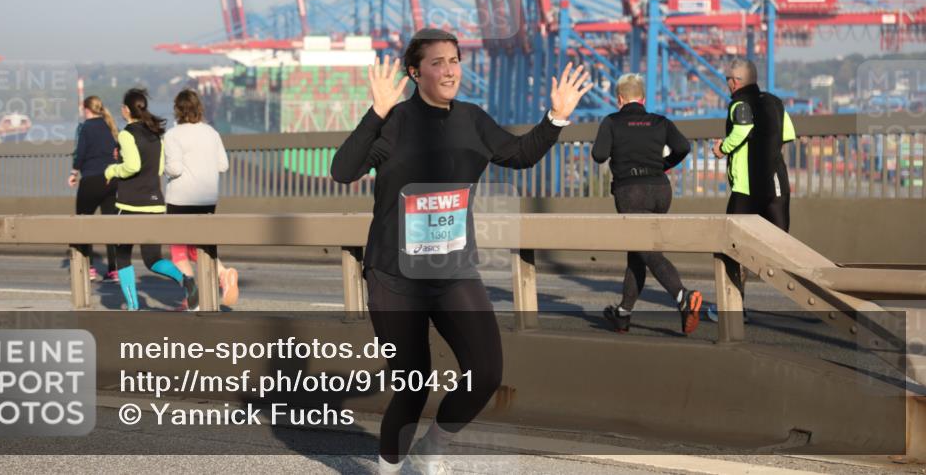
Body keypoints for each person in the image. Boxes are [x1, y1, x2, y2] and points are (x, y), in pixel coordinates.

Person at [331, 28, 591, 475]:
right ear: (415, 73)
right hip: (394, 276)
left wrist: (556, 118)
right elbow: (343, 170)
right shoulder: (395, 121)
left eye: (454, 60)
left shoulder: (472, 118)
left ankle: (429, 452)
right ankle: (389, 469)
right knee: (413, 385)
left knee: (486, 372)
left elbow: (518, 154)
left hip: (453, 270)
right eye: (437, 62)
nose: (450, 70)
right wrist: (375, 111)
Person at [591, 74, 702, 335]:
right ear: (643, 99)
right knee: (638, 250)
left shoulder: (612, 121)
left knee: (645, 248)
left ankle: (682, 297)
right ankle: (623, 313)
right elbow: (683, 147)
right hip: (661, 191)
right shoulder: (659, 121)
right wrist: (664, 165)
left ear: (619, 99)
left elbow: (599, 155)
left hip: (631, 192)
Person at [708, 58, 796, 321]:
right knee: (785, 250)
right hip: (777, 185)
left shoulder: (738, 104)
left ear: (735, 82)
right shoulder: (775, 102)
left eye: (728, 80)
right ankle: (830, 297)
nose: (727, 85)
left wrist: (722, 148)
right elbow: (788, 134)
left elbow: (744, 129)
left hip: (747, 190)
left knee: (730, 247)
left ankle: (734, 310)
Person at [104, 88, 196, 311]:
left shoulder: (127, 134)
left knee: (123, 255)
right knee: (153, 259)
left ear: (126, 110)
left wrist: (112, 170)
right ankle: (185, 280)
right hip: (154, 204)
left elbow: (132, 166)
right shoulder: (155, 134)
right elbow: (160, 167)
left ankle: (134, 306)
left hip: (129, 205)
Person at [163, 88, 237, 310]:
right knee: (199, 247)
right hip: (207, 198)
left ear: (177, 110)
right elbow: (223, 165)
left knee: (178, 251)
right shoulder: (211, 133)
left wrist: (165, 169)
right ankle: (224, 274)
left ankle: (192, 296)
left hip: (181, 199)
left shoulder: (173, 135)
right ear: (199, 108)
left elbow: (174, 169)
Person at [69, 96, 120, 281]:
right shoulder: (110, 125)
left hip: (91, 180)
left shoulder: (85, 127)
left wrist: (74, 173)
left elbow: (80, 152)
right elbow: (118, 150)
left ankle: (88, 268)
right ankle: (114, 270)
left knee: (82, 223)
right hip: (111, 180)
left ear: (86, 109)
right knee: (110, 225)